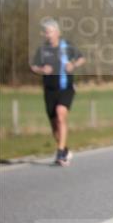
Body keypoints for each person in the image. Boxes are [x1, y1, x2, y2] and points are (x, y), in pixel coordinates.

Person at [30, 18, 85, 166]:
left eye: (51, 32)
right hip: (49, 90)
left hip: (66, 88)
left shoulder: (67, 46)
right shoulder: (42, 50)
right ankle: (65, 149)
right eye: (46, 32)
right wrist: (42, 70)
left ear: (58, 32)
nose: (49, 35)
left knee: (61, 115)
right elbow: (33, 67)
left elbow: (81, 58)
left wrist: (72, 65)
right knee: (55, 125)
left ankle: (60, 153)